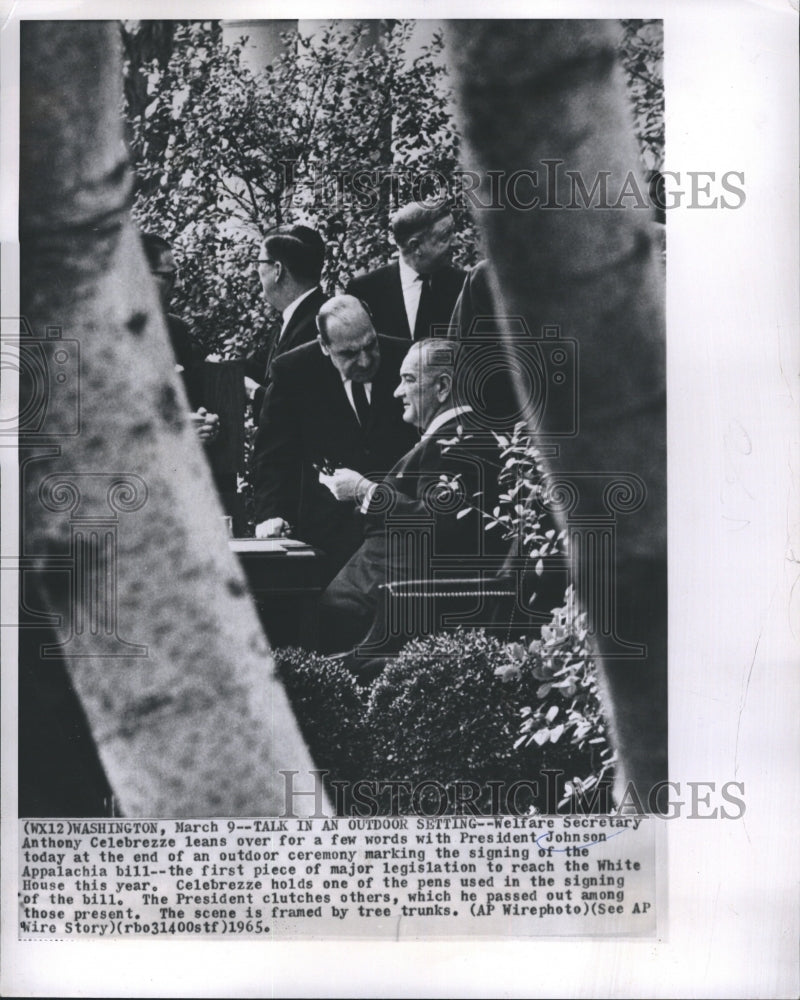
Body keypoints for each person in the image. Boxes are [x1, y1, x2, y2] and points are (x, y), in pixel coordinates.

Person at [317, 337, 564, 663]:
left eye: (408, 380)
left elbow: (439, 523)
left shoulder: (457, 442)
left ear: (443, 386)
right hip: (377, 602)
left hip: (382, 611)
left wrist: (365, 491)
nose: (397, 392)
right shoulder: (455, 437)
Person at [251, 295, 416, 581]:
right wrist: (271, 515)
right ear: (325, 347)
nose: (365, 361)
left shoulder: (407, 358)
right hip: (329, 534)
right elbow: (273, 455)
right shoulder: (294, 371)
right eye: (349, 354)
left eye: (370, 345)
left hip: (398, 534)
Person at [346, 200, 466, 341]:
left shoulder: (466, 286)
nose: (457, 243)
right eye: (445, 236)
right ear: (415, 246)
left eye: (453, 232)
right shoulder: (365, 291)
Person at [141, 232, 219, 444]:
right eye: (169, 276)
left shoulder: (177, 331)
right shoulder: (96, 334)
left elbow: (195, 402)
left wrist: (205, 421)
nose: (178, 285)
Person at [244, 225, 328, 420]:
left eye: (260, 262)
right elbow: (259, 367)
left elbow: (303, 409)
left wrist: (254, 393)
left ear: (278, 270)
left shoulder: (319, 326)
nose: (257, 270)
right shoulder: (293, 318)